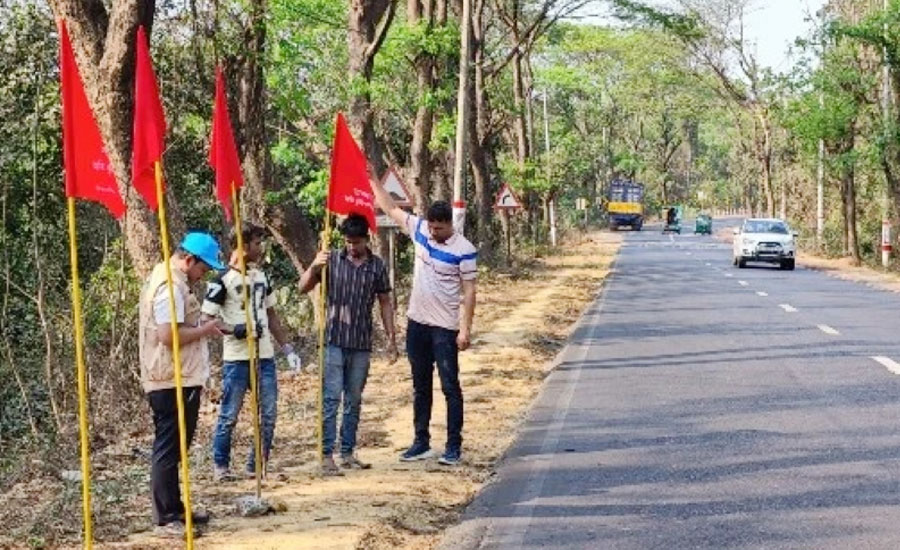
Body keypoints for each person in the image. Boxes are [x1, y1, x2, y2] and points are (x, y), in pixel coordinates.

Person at [370, 177, 477, 466]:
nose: (434, 232)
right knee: (420, 385)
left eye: (439, 228)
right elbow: (391, 208)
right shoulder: (419, 230)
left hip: (445, 328)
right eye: (431, 227)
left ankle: (453, 446)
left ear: (450, 225)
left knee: (450, 386)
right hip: (417, 324)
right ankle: (421, 442)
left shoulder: (464, 250)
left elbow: (469, 292)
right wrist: (373, 179)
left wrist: (465, 329)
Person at [139, 231, 225, 537]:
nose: (203, 275)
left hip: (177, 375)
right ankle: (165, 518)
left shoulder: (171, 280)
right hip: (170, 378)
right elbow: (168, 336)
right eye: (203, 268)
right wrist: (205, 330)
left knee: (176, 447)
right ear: (189, 260)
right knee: (168, 447)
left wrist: (203, 327)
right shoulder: (170, 287)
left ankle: (175, 508)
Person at [202, 223, 303, 482]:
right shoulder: (222, 280)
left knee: (268, 414)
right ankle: (221, 466)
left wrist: (287, 348)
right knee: (229, 414)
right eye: (257, 243)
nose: (261, 248)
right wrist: (235, 329)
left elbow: (271, 314)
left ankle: (257, 464)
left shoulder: (261, 276)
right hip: (237, 359)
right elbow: (207, 320)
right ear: (243, 245)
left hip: (264, 356)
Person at [299, 213, 397, 475]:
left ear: (366, 239)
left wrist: (391, 337)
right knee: (331, 398)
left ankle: (348, 452)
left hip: (361, 342)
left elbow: (385, 302)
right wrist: (314, 266)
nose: (352, 247)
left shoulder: (377, 266)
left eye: (357, 242)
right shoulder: (330, 260)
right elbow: (303, 287)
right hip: (333, 339)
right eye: (348, 242)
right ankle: (325, 454)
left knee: (354, 399)